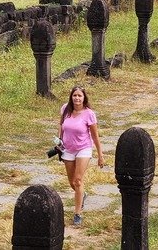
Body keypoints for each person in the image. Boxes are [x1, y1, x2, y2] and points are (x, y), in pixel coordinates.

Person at [57, 86, 105, 226]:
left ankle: (77, 213)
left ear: (84, 98)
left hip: (83, 148)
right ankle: (82, 195)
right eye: (74, 95)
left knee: (78, 181)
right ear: (71, 97)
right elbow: (61, 125)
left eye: (79, 96)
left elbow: (95, 136)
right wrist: (59, 141)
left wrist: (100, 155)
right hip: (68, 149)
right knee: (72, 183)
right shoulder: (65, 109)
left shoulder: (89, 114)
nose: (77, 98)